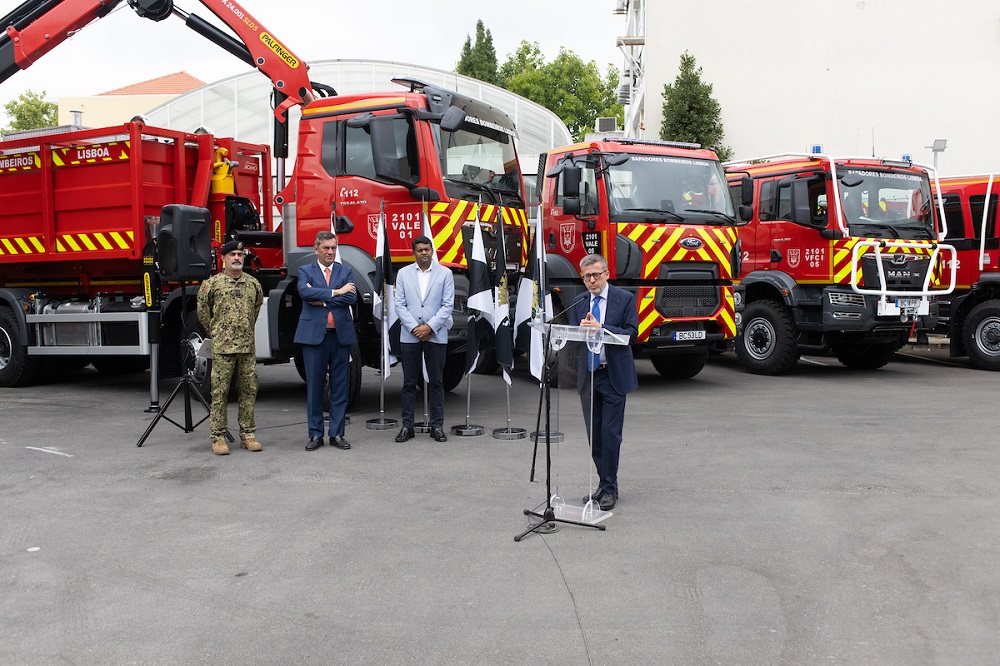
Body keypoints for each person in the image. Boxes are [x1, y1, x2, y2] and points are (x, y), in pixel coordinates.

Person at [573, 254, 638, 511]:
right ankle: (606, 483)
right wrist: (580, 332)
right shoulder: (579, 301)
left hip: (613, 375)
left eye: (596, 275)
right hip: (589, 375)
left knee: (611, 435)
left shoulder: (624, 299)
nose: (592, 280)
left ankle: (609, 488)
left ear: (607, 274)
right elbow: (574, 336)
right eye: (587, 276)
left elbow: (631, 334)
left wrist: (602, 328)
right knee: (595, 437)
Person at [196, 240, 264, 456]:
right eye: (232, 254)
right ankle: (218, 437)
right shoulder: (212, 285)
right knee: (220, 392)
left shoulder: (253, 284)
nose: (237, 258)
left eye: (240, 254)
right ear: (223, 258)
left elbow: (255, 310)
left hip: (246, 348)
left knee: (248, 390)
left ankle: (248, 435)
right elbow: (203, 313)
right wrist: (217, 333)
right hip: (222, 348)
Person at [294, 231, 358, 451]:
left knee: (340, 387)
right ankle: (315, 434)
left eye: (333, 248)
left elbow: (352, 297)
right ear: (316, 249)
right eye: (326, 248)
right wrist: (337, 292)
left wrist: (321, 298)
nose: (330, 252)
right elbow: (304, 293)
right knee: (315, 388)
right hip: (314, 338)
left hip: (340, 337)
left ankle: (337, 434)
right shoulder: (305, 271)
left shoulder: (345, 271)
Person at [393, 235, 454, 443]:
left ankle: (437, 426)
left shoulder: (445, 273)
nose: (424, 253)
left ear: (432, 251)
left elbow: (447, 305)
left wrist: (429, 327)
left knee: (437, 382)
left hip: (435, 335)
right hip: (409, 336)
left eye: (427, 249)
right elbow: (399, 305)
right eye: (420, 250)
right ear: (414, 253)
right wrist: (415, 328)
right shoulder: (403, 273)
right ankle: (407, 426)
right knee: (409, 383)